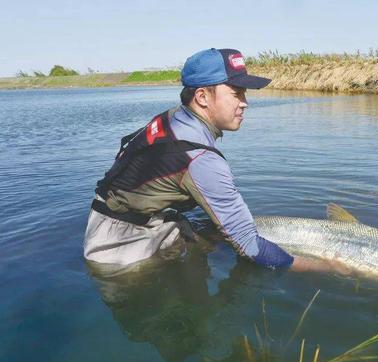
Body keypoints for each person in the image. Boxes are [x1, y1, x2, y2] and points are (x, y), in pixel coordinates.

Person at [83, 48, 335, 273]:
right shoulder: (200, 158)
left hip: (120, 217)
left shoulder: (174, 118)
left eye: (245, 93)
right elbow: (249, 246)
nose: (245, 103)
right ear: (202, 97)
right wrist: (328, 268)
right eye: (236, 93)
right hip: (120, 252)